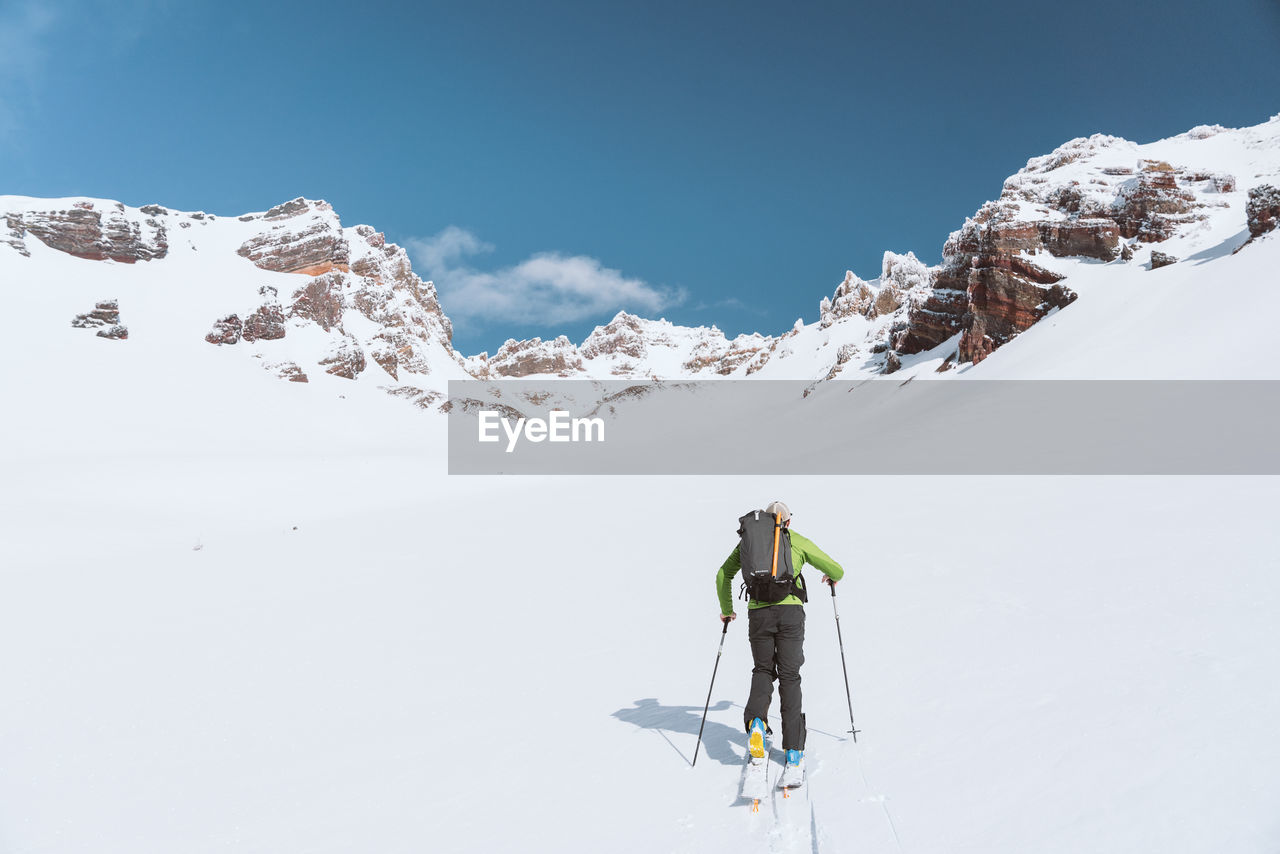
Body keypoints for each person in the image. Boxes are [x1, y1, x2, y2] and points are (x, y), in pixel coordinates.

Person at [716, 500, 843, 787]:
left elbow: (723, 574)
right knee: (790, 677)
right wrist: (831, 576)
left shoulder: (749, 544)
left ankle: (758, 724)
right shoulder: (793, 540)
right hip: (790, 614)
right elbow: (836, 569)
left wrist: (727, 609)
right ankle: (794, 752)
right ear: (786, 522)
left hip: (758, 614)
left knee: (762, 670)